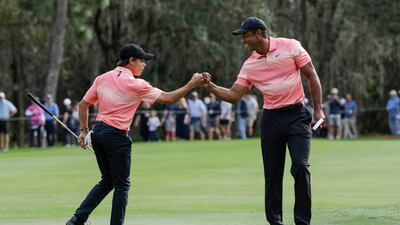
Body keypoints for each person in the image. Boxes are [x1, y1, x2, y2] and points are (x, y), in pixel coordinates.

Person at [202, 17, 324, 225]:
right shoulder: (249, 65)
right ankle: (275, 221)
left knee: (300, 166)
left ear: (259, 33)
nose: (243, 41)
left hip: (297, 115)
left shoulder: (291, 46)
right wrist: (210, 86)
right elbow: (233, 95)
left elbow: (311, 75)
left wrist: (318, 108)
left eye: (246, 35)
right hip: (271, 119)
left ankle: (303, 221)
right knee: (272, 173)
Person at [66, 43, 207, 225]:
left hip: (98, 133)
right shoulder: (136, 84)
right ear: (131, 61)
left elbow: (83, 105)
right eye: (142, 60)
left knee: (108, 180)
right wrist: (192, 84)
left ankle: (77, 219)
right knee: (122, 185)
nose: (144, 65)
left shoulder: (102, 78)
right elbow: (169, 98)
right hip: (116, 135)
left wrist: (84, 131)